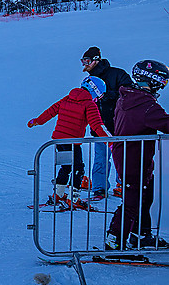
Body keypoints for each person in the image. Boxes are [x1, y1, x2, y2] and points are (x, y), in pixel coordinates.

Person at [105, 60, 169, 250]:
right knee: (132, 202)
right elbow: (165, 123)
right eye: (163, 82)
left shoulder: (128, 97)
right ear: (154, 81)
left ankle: (140, 234)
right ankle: (113, 241)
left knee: (145, 196)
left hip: (136, 157)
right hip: (133, 159)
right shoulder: (145, 105)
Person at [28, 76, 111, 207]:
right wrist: (109, 140)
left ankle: (59, 194)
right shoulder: (89, 104)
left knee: (66, 167)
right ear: (95, 91)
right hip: (72, 141)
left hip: (58, 141)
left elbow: (51, 111)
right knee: (78, 168)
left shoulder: (67, 98)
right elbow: (97, 125)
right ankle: (74, 198)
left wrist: (37, 121)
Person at [81, 46, 134, 198]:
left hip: (119, 126)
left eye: (87, 61)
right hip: (99, 128)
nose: (84, 64)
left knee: (122, 158)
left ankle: (123, 185)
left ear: (96, 61)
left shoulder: (117, 74)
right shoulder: (88, 81)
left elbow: (130, 94)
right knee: (100, 159)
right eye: (83, 61)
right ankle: (99, 188)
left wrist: (107, 95)